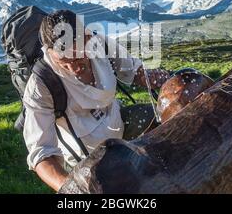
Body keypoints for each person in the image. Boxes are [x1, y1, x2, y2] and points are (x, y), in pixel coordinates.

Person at [22, 10, 170, 192]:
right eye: (63, 62)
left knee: (161, 116)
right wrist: (72, 189)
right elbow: (41, 154)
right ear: (50, 52)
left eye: (77, 57)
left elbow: (133, 69)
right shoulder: (41, 85)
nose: (73, 67)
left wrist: (153, 77)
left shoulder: (101, 44)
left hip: (118, 124)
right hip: (87, 158)